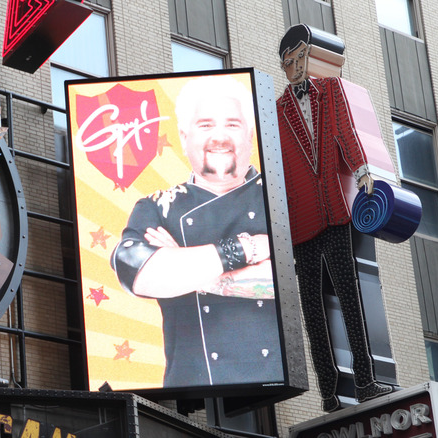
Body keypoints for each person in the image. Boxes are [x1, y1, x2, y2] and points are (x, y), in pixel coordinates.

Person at [111, 75, 283, 388]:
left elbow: (286, 279)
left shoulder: (279, 200)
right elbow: (137, 273)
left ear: (250, 135)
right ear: (184, 135)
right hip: (188, 384)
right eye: (206, 125)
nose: (220, 136)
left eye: (232, 124)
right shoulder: (157, 206)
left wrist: (182, 269)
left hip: (270, 378)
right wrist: (247, 250)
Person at [277, 24, 393, 412]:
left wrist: (362, 169)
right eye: (287, 62)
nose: (294, 67)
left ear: (309, 56)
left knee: (350, 297)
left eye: (299, 58)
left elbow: (345, 132)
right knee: (312, 309)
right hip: (300, 219)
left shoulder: (331, 91)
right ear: (283, 66)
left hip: (334, 207)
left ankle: (365, 381)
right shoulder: (276, 109)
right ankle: (329, 394)